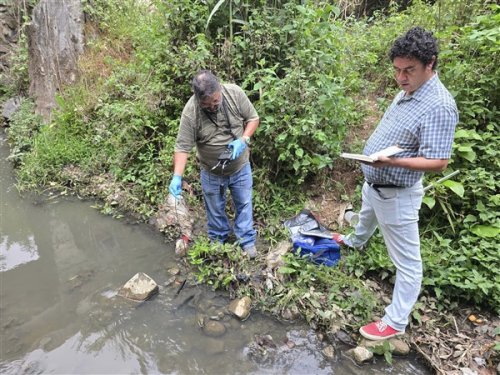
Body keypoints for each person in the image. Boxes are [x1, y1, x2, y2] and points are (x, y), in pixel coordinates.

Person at [334, 27, 458, 340]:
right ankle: (355, 242)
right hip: (374, 182)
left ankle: (396, 321)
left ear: (430, 64)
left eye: (409, 71)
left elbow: (438, 161)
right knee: (365, 217)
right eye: (397, 71)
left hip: (397, 193)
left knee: (407, 262)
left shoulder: (439, 105)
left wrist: (391, 162)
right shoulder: (406, 91)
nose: (401, 78)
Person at [168, 70, 260, 258]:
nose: (212, 107)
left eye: (216, 102)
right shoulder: (191, 112)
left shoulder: (234, 93)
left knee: (244, 202)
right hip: (211, 171)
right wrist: (177, 176)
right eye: (206, 105)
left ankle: (246, 240)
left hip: (240, 166)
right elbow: (182, 147)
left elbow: (253, 119)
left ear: (220, 89)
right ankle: (219, 239)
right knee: (214, 207)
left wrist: (243, 139)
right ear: (197, 99)